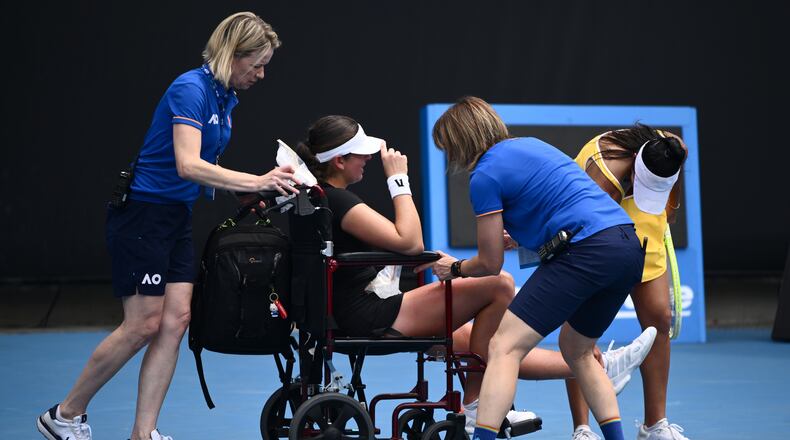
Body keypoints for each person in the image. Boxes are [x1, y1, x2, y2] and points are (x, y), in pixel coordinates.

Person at [294, 114, 654, 436]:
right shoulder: (339, 201)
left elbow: (417, 248)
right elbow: (411, 241)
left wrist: (449, 265)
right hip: (367, 311)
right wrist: (399, 181)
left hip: (355, 306)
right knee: (499, 297)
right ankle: (479, 407)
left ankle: (593, 368)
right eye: (362, 154)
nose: (370, 160)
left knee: (480, 342)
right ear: (339, 161)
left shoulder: (320, 198)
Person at [36, 12, 298, 440]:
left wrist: (246, 192)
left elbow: (205, 164)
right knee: (142, 324)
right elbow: (186, 163)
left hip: (175, 216)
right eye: (258, 64)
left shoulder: (222, 96)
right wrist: (256, 179)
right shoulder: (190, 89)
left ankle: (144, 433)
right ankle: (64, 414)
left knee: (176, 321)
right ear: (234, 54)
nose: (262, 74)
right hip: (143, 215)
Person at [427, 96, 646, 440]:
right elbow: (566, 206)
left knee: (503, 347)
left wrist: (453, 268)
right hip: (627, 247)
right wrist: (525, 237)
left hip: (587, 250)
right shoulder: (533, 145)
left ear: (459, 142)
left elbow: (490, 263)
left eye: (447, 147)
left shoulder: (483, 176)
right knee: (577, 350)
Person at [566, 124, 689, 440]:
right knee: (581, 332)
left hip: (647, 235)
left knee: (659, 321)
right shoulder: (602, 175)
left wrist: (668, 203)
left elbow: (679, 157)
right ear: (635, 160)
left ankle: (655, 426)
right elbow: (581, 225)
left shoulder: (671, 149)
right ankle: (582, 429)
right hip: (597, 240)